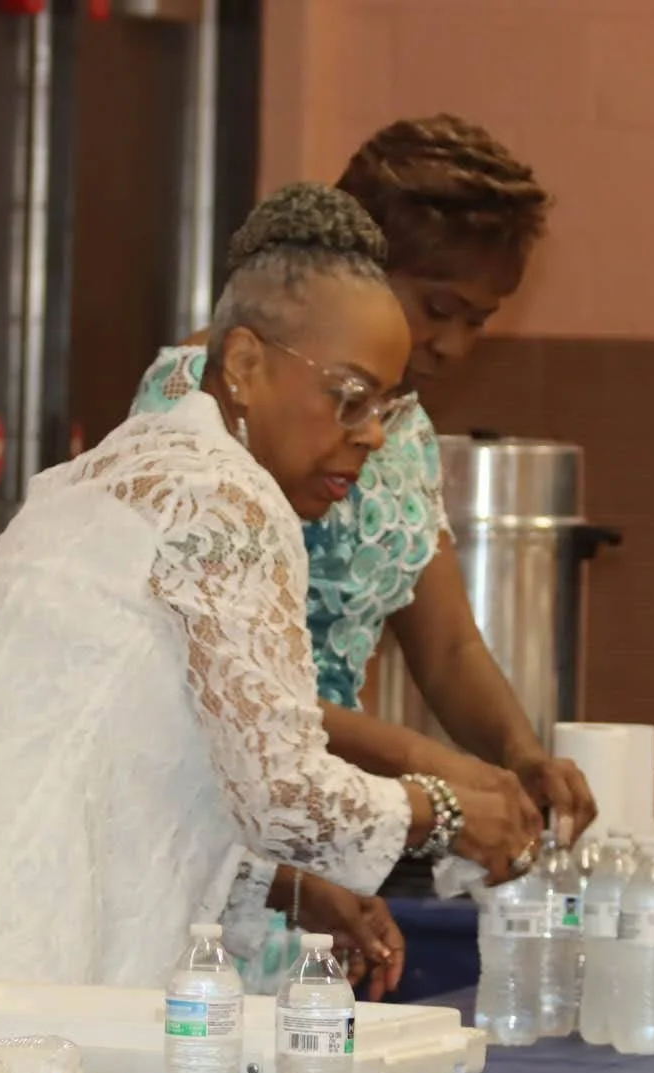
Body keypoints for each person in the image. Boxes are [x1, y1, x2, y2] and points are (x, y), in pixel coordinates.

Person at [0, 184, 536, 1026]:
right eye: (349, 396)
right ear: (243, 364)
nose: (372, 433)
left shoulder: (111, 470)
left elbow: (119, 766)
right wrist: (444, 811)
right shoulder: (231, 499)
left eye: (387, 406)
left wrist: (281, 887)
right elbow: (287, 795)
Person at [135, 115, 596, 988]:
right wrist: (439, 776)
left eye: (481, 321)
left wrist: (518, 755)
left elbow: (448, 645)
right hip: (204, 824)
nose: (454, 345)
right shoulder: (205, 401)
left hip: (318, 838)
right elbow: (230, 689)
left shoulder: (400, 425)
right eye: (440, 309)